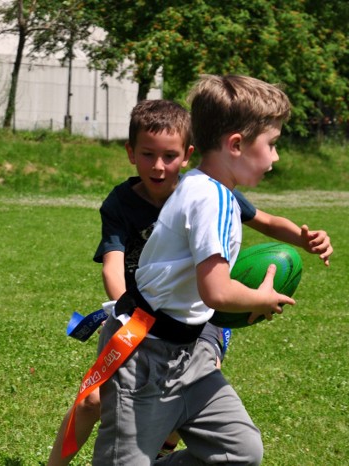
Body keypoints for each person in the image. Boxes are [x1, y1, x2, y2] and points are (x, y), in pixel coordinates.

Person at [47, 99, 333, 465]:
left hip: (196, 326)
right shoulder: (127, 202)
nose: (159, 165)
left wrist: (303, 238)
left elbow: (264, 220)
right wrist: (129, 320)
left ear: (187, 155)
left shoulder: (210, 193)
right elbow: (113, 266)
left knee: (236, 447)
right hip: (143, 325)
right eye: (148, 154)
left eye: (170, 155)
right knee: (91, 401)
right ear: (131, 153)